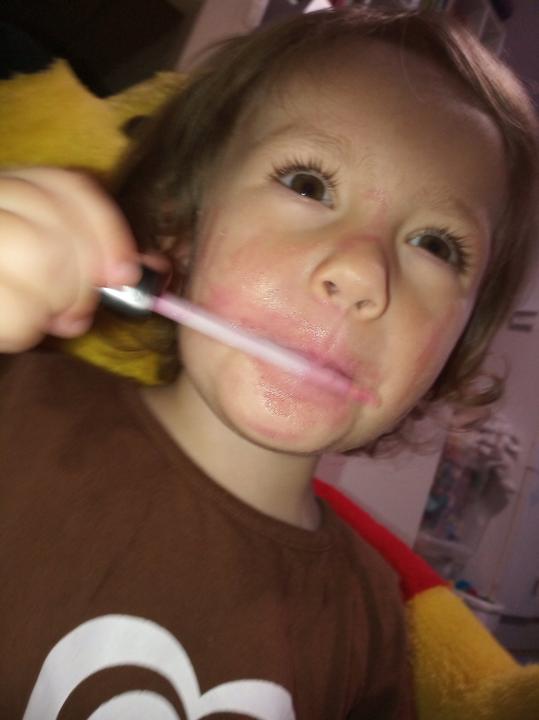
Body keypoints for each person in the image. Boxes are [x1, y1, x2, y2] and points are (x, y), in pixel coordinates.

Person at [1, 7, 538, 719]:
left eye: (436, 245)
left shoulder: (373, 627)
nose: (361, 273)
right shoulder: (17, 406)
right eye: (309, 185)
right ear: (182, 225)